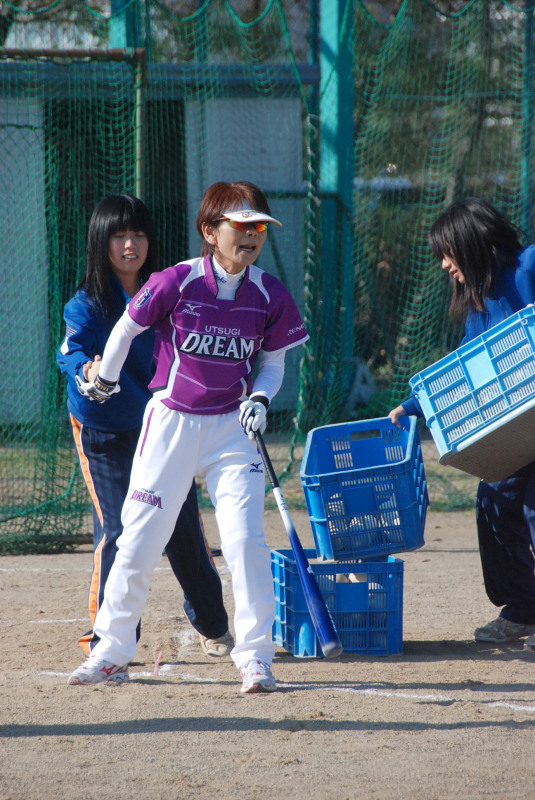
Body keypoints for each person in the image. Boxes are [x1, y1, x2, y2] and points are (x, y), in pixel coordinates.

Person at [67, 181, 309, 692]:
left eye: (259, 229)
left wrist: (261, 400)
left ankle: (255, 657)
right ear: (209, 231)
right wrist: (105, 377)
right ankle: (110, 652)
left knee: (244, 542)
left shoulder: (269, 292)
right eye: (240, 227)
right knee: (136, 541)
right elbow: (128, 327)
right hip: (172, 422)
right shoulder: (176, 280)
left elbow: (272, 363)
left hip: (232, 429)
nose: (251, 237)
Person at [57, 194, 233, 673]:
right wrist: (86, 369)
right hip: (102, 432)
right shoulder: (86, 304)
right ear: (101, 242)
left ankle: (213, 625)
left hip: (162, 428)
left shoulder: (169, 290)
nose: (130, 245)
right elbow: (70, 354)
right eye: (119, 236)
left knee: (182, 530)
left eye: (137, 235)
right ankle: (108, 640)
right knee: (118, 531)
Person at [389, 197, 535, 650]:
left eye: (447, 253)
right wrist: (413, 406)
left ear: (471, 242)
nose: (444, 265)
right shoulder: (477, 305)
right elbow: (464, 373)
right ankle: (524, 608)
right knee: (493, 498)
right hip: (519, 433)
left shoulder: (529, 265)